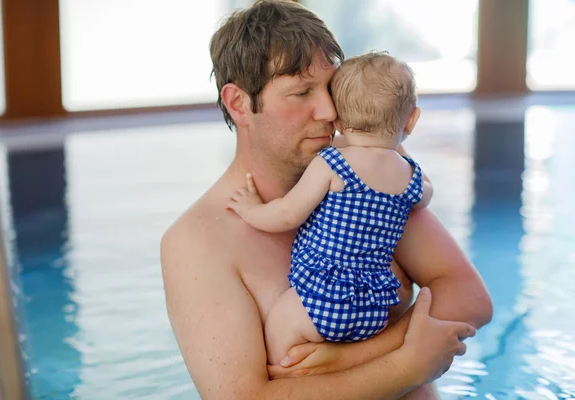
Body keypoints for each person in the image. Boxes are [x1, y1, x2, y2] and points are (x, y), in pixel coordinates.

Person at [160, 1, 493, 399]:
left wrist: (352, 359)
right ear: (238, 103)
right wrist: (407, 364)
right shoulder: (198, 243)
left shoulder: (367, 181)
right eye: (302, 92)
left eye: (331, 87)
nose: (330, 109)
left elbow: (471, 300)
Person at [226, 51, 434, 365]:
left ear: (336, 120)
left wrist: (250, 209)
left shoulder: (333, 164)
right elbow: (426, 193)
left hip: (323, 298)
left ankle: (286, 372)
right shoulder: (410, 177)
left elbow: (286, 214)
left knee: (279, 342)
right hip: (374, 307)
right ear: (412, 119)